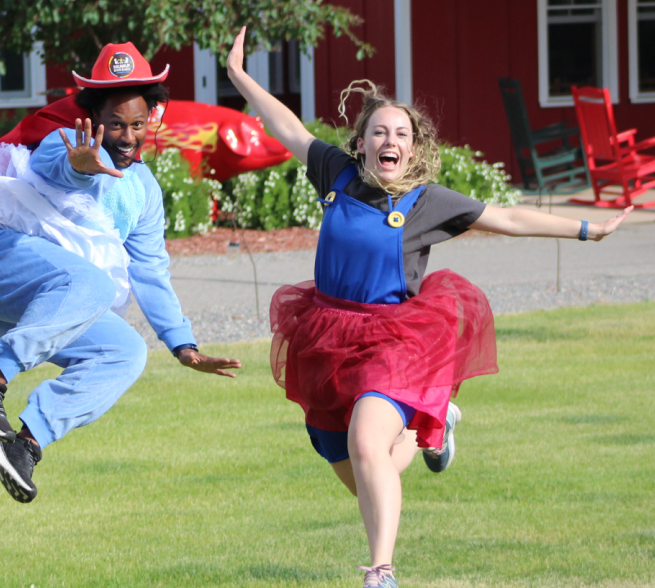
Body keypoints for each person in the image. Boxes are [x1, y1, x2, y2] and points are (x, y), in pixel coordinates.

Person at [224, 27, 630, 588]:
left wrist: (587, 229)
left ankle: (381, 572)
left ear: (413, 148)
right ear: (361, 142)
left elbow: (509, 219)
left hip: (395, 341)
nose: (390, 140)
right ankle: (430, 427)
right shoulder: (335, 174)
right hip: (327, 334)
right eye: (379, 131)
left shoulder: (427, 201)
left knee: (368, 441)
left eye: (401, 134)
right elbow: (286, 125)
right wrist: (241, 78)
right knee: (365, 467)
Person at [0, 43, 241, 504]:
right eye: (115, 124)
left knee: (125, 351)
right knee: (94, 284)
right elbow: (54, 168)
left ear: (152, 120)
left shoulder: (144, 189)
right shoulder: (64, 144)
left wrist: (183, 345)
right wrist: (79, 167)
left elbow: (149, 267)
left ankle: (26, 447)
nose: (126, 136)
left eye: (137, 124)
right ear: (92, 119)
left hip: (37, 301)